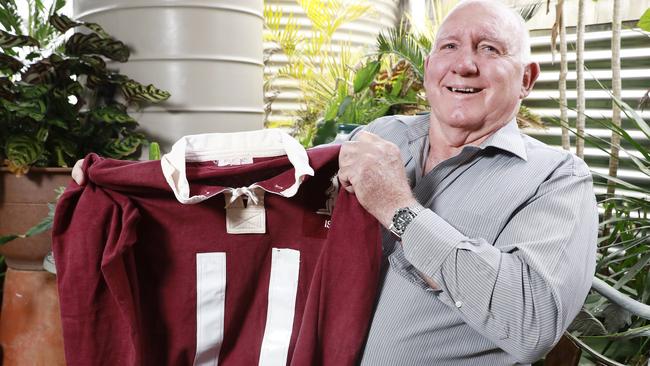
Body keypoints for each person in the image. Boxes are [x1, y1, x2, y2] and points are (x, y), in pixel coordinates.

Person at [72, 0, 597, 364]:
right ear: (430, 66)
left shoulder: (556, 179)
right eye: (450, 47)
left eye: (489, 49)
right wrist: (133, 189)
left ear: (526, 78)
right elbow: (273, 206)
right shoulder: (379, 136)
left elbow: (528, 323)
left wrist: (400, 209)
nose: (465, 63)